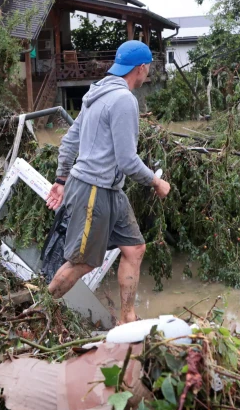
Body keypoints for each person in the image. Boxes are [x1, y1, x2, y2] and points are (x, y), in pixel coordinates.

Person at [45, 40, 171, 324]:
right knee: (85, 261)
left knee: (135, 248)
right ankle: (43, 306)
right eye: (147, 69)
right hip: (93, 189)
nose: (147, 73)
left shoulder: (96, 93)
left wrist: (61, 179)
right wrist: (155, 182)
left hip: (111, 189)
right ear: (140, 69)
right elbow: (127, 160)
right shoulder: (124, 99)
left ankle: (128, 317)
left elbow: (68, 142)